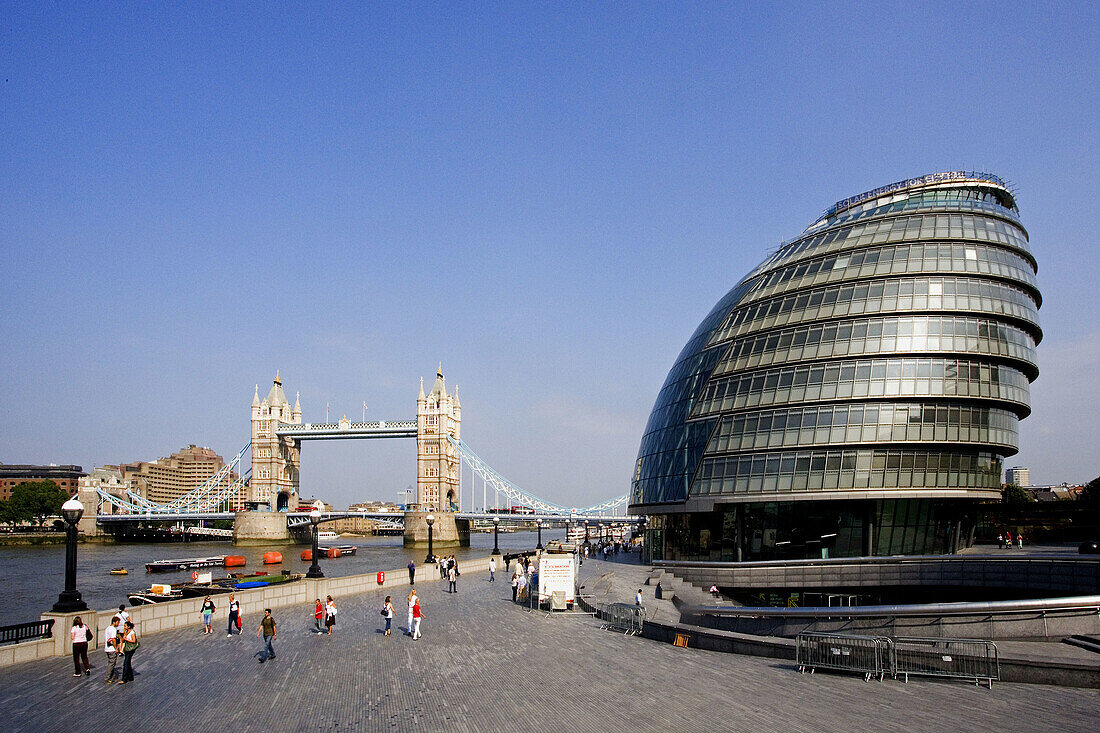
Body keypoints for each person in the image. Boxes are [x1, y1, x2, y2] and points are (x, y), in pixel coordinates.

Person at [103, 615, 120, 683]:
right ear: (114, 622)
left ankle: (112, 677)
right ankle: (107, 678)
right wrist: (116, 648)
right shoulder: (113, 629)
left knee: (111, 663)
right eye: (118, 622)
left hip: (107, 648)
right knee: (111, 664)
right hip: (112, 649)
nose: (118, 624)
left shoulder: (107, 628)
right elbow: (113, 639)